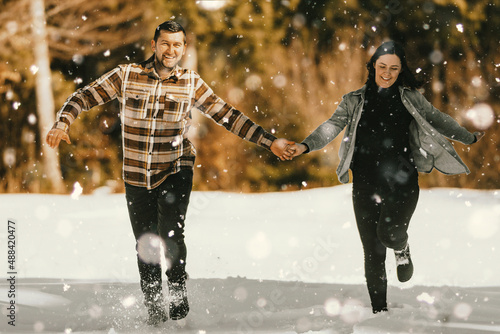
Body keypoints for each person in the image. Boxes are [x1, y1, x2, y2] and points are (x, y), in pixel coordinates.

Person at [46, 20, 295, 325]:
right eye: (165, 43)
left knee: (171, 232)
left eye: (177, 45)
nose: (170, 50)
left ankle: (176, 291)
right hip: (136, 174)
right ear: (154, 45)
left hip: (175, 167)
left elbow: (226, 114)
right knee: (146, 243)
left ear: (184, 48)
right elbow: (85, 95)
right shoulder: (127, 75)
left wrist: (269, 141)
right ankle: (154, 310)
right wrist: (63, 121)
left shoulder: (191, 82)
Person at [288, 41, 485, 314]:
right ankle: (379, 313)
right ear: (372, 67)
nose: (387, 73)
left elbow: (438, 118)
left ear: (401, 69)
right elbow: (332, 126)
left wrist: (468, 137)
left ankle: (401, 247)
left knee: (389, 233)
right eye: (382, 67)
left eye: (394, 68)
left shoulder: (410, 98)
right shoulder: (354, 100)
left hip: (402, 182)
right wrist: (305, 145)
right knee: (373, 251)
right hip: (365, 182)